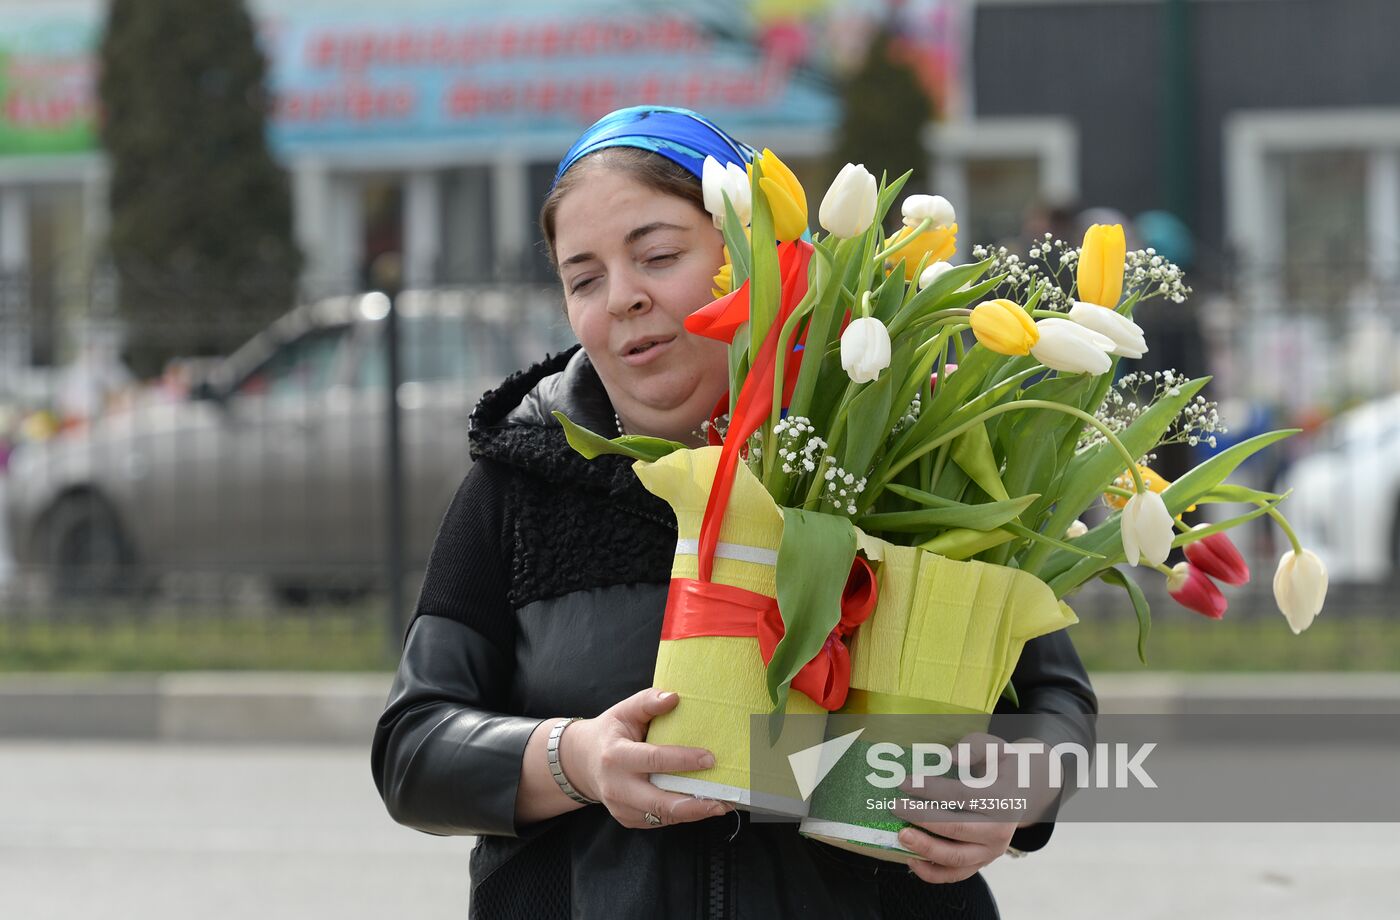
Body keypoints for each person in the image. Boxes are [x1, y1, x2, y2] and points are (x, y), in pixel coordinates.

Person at [371, 105, 1098, 919]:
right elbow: (412, 749)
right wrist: (573, 758)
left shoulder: (904, 452)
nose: (623, 298)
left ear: (749, 254)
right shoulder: (522, 481)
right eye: (584, 278)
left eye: (658, 255)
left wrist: (1006, 794)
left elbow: (1057, 711)